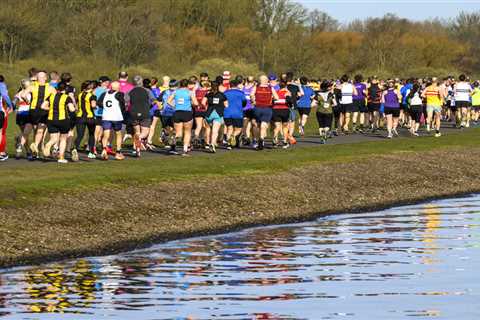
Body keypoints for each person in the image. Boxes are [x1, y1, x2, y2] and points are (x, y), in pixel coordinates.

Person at [41, 82, 76, 163]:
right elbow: (71, 109)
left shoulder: (51, 96)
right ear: (65, 89)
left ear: (57, 89)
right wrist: (74, 109)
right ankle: (61, 157)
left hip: (51, 119)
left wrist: (51, 109)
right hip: (63, 120)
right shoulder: (67, 97)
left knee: (54, 139)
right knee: (63, 139)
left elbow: (43, 106)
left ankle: (48, 144)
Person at [126, 75, 159, 157]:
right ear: (141, 82)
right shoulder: (147, 90)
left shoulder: (129, 91)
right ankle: (140, 139)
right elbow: (154, 101)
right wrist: (150, 106)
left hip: (133, 113)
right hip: (144, 112)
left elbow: (126, 102)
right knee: (145, 132)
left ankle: (136, 147)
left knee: (137, 132)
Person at [26, 71, 55, 160]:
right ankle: (36, 145)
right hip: (44, 111)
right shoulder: (50, 88)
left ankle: (35, 148)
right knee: (40, 131)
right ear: (46, 78)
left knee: (36, 130)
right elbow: (55, 99)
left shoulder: (32, 86)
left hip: (33, 110)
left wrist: (28, 101)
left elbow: (23, 94)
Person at [167, 79, 198, 156]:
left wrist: (174, 106)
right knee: (187, 132)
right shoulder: (190, 92)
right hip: (187, 113)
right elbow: (196, 103)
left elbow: (168, 101)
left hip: (177, 113)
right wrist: (191, 104)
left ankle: (174, 138)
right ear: (187, 85)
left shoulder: (175, 92)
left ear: (180, 85)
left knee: (179, 133)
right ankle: (185, 150)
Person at [97, 81, 125, 160]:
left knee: (106, 135)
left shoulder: (104, 94)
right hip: (116, 117)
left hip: (106, 116)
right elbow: (122, 105)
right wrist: (122, 112)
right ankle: (118, 153)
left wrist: (106, 108)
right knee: (118, 134)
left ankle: (104, 150)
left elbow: (99, 103)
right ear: (117, 87)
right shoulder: (120, 94)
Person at [251, 75, 279, 150]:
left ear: (259, 81)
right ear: (267, 81)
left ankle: (256, 141)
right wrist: (271, 98)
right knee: (264, 124)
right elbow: (277, 98)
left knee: (257, 124)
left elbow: (251, 95)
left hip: (257, 108)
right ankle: (261, 139)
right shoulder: (270, 88)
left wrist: (253, 100)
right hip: (267, 108)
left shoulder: (256, 87)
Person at [203, 81, 227, 153]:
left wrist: (206, 107)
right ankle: (212, 143)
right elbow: (226, 105)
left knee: (207, 129)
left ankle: (207, 143)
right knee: (215, 131)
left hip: (209, 113)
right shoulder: (222, 95)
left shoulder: (208, 94)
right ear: (218, 87)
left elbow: (203, 102)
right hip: (218, 114)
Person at [75, 81, 97, 159]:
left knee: (80, 135)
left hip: (80, 117)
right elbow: (93, 105)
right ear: (90, 87)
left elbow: (76, 107)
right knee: (91, 134)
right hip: (90, 117)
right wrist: (96, 106)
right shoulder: (92, 96)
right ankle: (91, 152)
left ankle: (74, 149)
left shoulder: (79, 95)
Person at [224, 78, 247, 150]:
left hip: (227, 113)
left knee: (229, 128)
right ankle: (233, 136)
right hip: (238, 113)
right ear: (237, 85)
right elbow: (244, 103)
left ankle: (229, 144)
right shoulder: (241, 93)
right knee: (238, 129)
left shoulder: (225, 93)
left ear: (230, 85)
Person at [13, 79, 33, 159]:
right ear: (28, 85)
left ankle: (28, 152)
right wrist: (28, 102)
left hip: (20, 114)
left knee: (25, 135)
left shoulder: (18, 93)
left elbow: (13, 103)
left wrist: (15, 110)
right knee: (25, 134)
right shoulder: (30, 92)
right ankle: (19, 142)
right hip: (28, 113)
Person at [271, 80, 292, 148]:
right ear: (286, 86)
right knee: (285, 126)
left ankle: (275, 140)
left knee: (277, 126)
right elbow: (290, 101)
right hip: (284, 110)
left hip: (276, 110)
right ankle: (285, 141)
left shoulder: (276, 92)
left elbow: (272, 101)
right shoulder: (287, 92)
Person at [94, 76, 111, 155]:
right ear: (103, 83)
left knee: (97, 132)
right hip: (101, 113)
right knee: (99, 132)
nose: (108, 84)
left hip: (96, 112)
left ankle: (94, 146)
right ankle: (94, 147)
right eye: (107, 82)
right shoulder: (106, 91)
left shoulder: (95, 90)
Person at [159, 80, 177, 148]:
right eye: (171, 86)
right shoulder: (165, 92)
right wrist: (161, 108)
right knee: (167, 128)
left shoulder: (177, 92)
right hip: (166, 112)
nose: (172, 88)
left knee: (174, 128)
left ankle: (172, 142)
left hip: (174, 113)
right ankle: (165, 138)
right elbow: (159, 100)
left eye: (173, 86)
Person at [192, 80, 209, 148]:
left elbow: (193, 102)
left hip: (197, 111)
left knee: (199, 126)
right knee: (206, 127)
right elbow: (206, 102)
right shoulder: (207, 93)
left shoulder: (196, 92)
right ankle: (205, 141)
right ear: (206, 86)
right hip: (205, 111)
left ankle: (196, 138)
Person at [241, 76, 256, 146]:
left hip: (248, 109)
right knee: (249, 124)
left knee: (248, 125)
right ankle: (249, 139)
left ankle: (249, 138)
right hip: (248, 108)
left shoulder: (244, 88)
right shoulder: (253, 88)